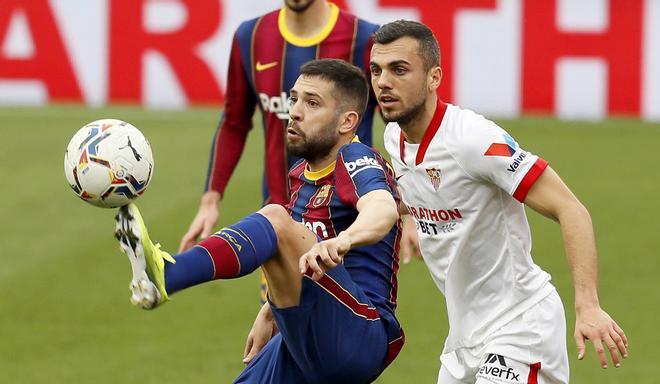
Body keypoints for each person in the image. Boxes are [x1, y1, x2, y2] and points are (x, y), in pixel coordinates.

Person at [369, 20, 628, 383]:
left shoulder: (473, 139)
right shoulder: (395, 137)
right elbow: (430, 187)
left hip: (521, 327)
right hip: (463, 338)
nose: (383, 81)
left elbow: (572, 210)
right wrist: (411, 215)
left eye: (399, 70)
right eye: (376, 70)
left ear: (433, 77)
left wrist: (588, 306)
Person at [114, 59, 404, 383]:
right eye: (294, 99)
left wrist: (344, 240)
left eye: (312, 103)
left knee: (275, 218)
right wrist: (270, 309)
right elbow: (295, 252)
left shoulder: (357, 159)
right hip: (306, 333)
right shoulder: (301, 174)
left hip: (359, 333)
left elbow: (382, 208)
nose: (294, 111)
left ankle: (167, 273)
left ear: (347, 121)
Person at [179, 0, 380, 254]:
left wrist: (405, 207)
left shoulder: (364, 39)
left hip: (350, 229)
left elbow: (398, 122)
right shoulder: (251, 37)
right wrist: (210, 199)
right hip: (279, 224)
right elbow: (234, 122)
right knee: (275, 296)